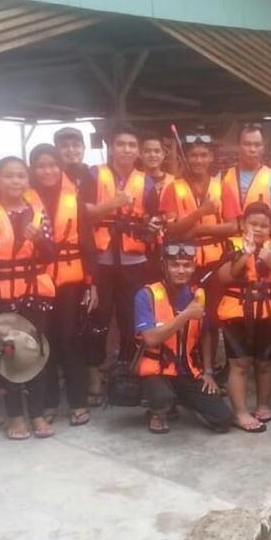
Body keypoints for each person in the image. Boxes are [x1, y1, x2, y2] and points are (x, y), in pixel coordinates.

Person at [0, 156, 57, 440]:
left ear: (27, 180)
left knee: (37, 354)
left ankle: (37, 414)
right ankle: (15, 416)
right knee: (7, 357)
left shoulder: (38, 214)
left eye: (20, 176)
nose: (15, 181)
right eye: (8, 176)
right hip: (0, 299)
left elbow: (50, 256)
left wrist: (40, 239)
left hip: (33, 296)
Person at [25, 145, 98, 427]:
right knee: (44, 343)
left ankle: (77, 402)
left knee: (70, 340)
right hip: (37, 281)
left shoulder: (74, 199)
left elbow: (88, 243)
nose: (48, 170)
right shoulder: (24, 200)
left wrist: (92, 283)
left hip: (71, 281)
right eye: (41, 165)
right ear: (33, 169)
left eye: (53, 165)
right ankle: (49, 402)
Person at [83, 122, 160, 369]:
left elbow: (153, 219)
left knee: (131, 316)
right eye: (121, 144)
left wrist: (154, 226)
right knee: (98, 316)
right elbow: (84, 216)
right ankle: (95, 368)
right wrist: (114, 203)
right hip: (101, 260)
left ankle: (129, 366)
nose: (126, 150)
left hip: (134, 262)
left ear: (137, 151)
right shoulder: (93, 175)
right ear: (111, 148)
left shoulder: (147, 183)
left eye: (131, 145)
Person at [135, 241, 233, 434]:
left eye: (186, 265)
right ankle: (157, 410)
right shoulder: (146, 295)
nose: (181, 270)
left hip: (188, 372)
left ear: (194, 267)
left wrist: (208, 371)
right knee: (162, 398)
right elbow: (150, 339)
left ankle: (184, 400)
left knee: (223, 420)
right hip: (157, 371)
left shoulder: (198, 295)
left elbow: (205, 334)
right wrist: (185, 315)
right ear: (165, 266)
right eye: (175, 265)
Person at [217, 203, 271, 432]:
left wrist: (270, 261)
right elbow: (224, 277)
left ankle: (263, 404)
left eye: (264, 225)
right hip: (237, 311)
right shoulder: (232, 245)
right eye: (253, 224)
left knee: (265, 363)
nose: (259, 229)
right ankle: (241, 412)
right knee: (239, 363)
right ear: (243, 224)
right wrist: (245, 255)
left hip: (267, 312)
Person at [158, 133, 227, 382]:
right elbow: (172, 230)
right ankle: (183, 364)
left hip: (216, 262)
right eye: (193, 155)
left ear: (210, 158)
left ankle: (208, 369)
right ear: (186, 157)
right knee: (184, 314)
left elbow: (234, 226)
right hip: (183, 262)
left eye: (203, 155)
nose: (198, 160)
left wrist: (198, 229)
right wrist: (202, 212)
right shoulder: (172, 188)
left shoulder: (222, 187)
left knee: (211, 317)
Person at [220, 123, 271, 237]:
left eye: (257, 145)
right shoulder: (223, 177)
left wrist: (261, 230)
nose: (252, 149)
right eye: (247, 144)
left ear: (263, 147)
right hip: (232, 248)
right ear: (238, 146)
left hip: (265, 247)